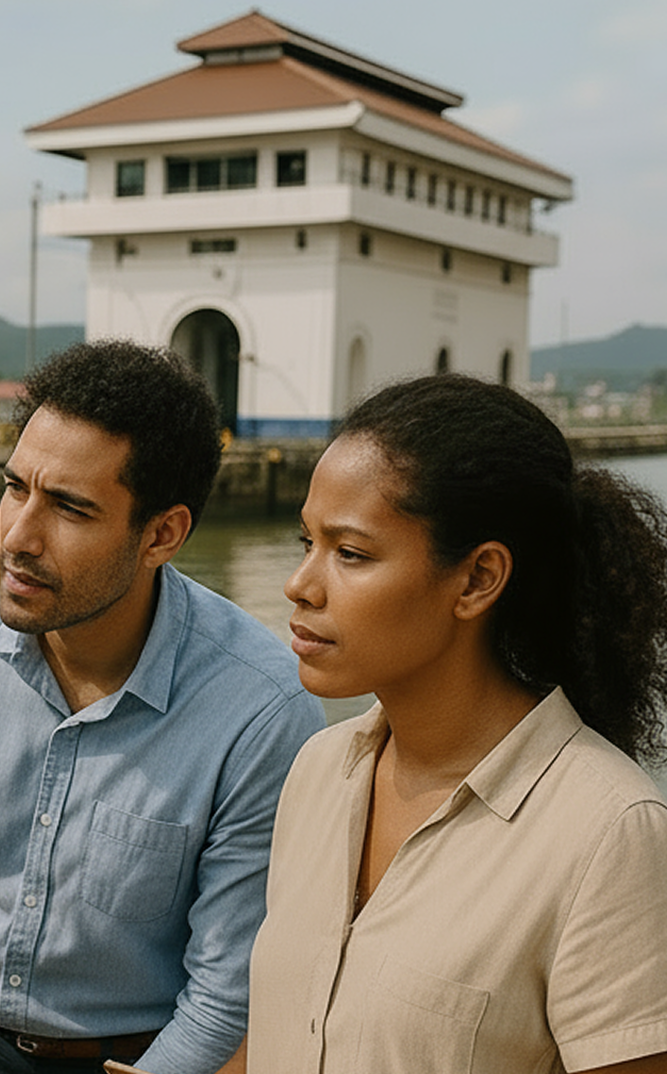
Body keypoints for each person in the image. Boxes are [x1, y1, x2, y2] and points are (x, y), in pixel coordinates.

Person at [0, 340, 324, 1074]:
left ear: (162, 534)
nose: (18, 537)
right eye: (15, 487)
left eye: (71, 509)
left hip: (140, 1058)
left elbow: (222, 991)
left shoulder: (260, 712)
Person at [244, 373, 667, 1072]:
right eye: (307, 541)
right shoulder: (318, 769)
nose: (301, 584)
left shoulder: (610, 836)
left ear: (476, 580)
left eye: (350, 553)